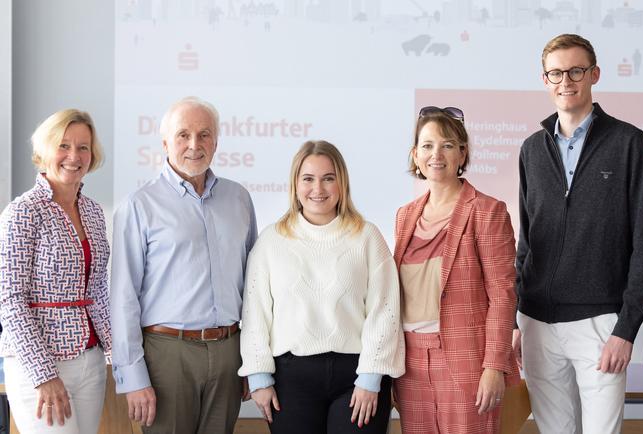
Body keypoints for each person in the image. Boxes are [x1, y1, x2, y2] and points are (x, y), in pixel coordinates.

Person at [514, 33, 643, 434]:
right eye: (556, 73)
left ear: (594, 74)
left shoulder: (629, 142)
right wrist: (516, 320)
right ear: (544, 80)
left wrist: (626, 330)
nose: (566, 81)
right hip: (536, 323)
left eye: (576, 70)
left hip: (600, 324)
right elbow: (527, 241)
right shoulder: (531, 149)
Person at [111, 96, 257, 433]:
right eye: (183, 135)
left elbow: (253, 286)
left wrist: (252, 361)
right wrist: (133, 377)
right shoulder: (138, 205)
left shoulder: (239, 199)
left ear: (217, 142)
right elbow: (122, 297)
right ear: (165, 143)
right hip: (167, 354)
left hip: (228, 351)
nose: (195, 145)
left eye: (204, 135)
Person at [239, 140, 404, 433]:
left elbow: (385, 311)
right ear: (295, 184)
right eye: (308, 179)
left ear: (342, 183)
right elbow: (255, 314)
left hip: (356, 377)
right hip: (290, 380)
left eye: (329, 178)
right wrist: (259, 377)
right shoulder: (271, 242)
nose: (318, 188)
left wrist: (370, 378)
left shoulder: (367, 237)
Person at [393, 106, 519, 434]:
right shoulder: (405, 216)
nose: (437, 154)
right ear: (415, 155)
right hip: (410, 365)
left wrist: (494, 366)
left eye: (448, 145)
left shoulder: (488, 211)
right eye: (428, 145)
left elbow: (502, 296)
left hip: (468, 364)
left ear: (462, 153)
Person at [0, 109, 111, 433]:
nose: (74, 156)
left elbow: (97, 290)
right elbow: (10, 300)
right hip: (39, 366)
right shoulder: (23, 211)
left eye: (83, 147)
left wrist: (117, 353)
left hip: (91, 360)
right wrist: (43, 373)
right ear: (45, 150)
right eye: (63, 145)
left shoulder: (91, 211)